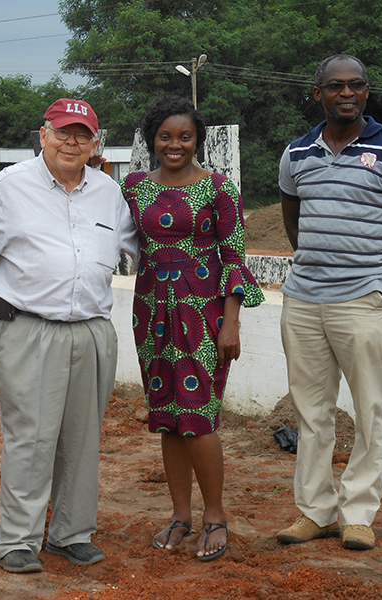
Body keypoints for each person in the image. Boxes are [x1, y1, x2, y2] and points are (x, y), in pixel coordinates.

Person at [0, 98, 139, 573]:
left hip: (93, 331)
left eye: (83, 134)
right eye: (63, 132)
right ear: (44, 134)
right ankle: (16, 541)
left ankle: (71, 533)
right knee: (29, 438)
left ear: (96, 142)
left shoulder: (108, 192)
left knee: (82, 437)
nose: (72, 141)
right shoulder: (12, 186)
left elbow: (140, 248)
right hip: (30, 330)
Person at [276, 54, 382, 551]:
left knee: (370, 411)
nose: (347, 93)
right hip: (302, 301)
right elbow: (293, 218)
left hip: (362, 299)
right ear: (317, 92)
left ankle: (359, 513)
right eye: (335, 86)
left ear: (367, 92)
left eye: (356, 86)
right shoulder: (297, 153)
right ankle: (315, 511)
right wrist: (314, 261)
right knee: (311, 411)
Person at [120, 97, 264, 561]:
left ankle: (215, 516)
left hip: (203, 315)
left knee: (199, 416)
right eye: (166, 136)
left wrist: (232, 321)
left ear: (197, 140)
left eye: (185, 136)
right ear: (152, 141)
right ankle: (180, 515)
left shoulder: (219, 189)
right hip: (150, 311)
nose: (175, 145)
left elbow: (235, 259)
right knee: (166, 415)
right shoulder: (134, 187)